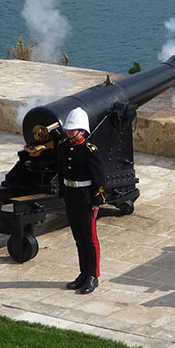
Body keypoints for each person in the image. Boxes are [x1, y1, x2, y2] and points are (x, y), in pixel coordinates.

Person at [57, 107, 106, 294]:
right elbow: (61, 171)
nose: (69, 133)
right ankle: (83, 273)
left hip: (85, 198)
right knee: (78, 238)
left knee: (89, 239)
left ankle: (92, 275)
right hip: (71, 196)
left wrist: (97, 201)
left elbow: (99, 178)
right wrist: (63, 194)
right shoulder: (63, 146)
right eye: (68, 130)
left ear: (82, 130)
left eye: (73, 130)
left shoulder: (89, 150)